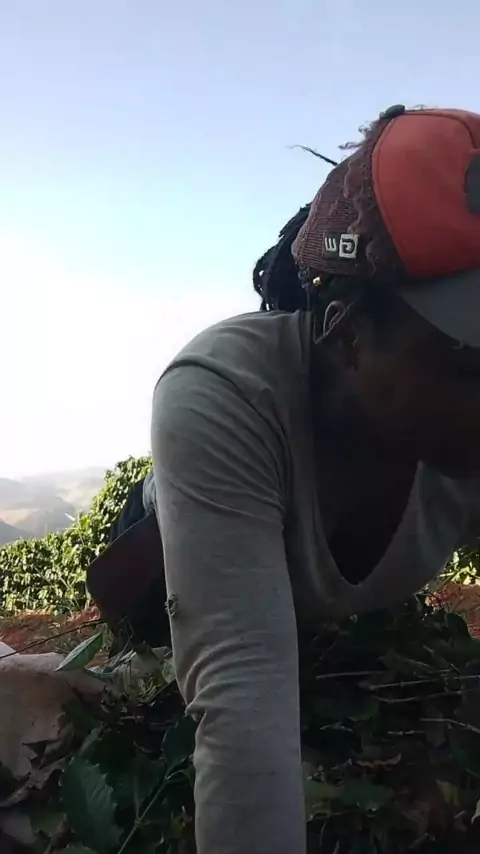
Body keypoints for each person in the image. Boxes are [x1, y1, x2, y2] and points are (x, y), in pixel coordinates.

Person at [96, 105, 480, 854]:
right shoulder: (223, 392)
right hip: (161, 554)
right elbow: (240, 701)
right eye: (470, 364)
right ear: (350, 334)